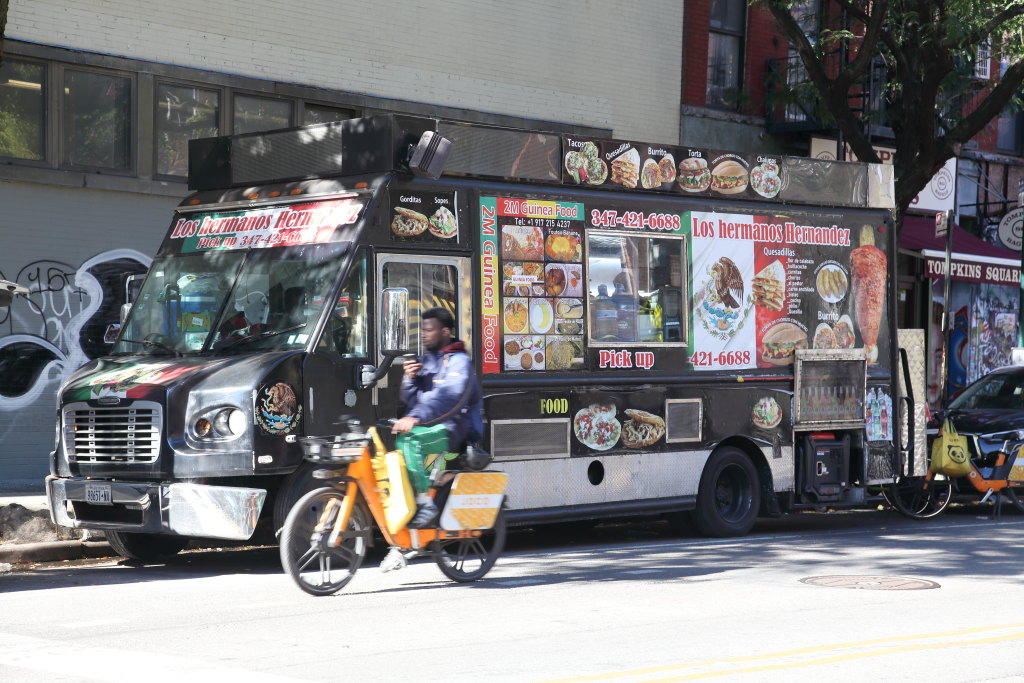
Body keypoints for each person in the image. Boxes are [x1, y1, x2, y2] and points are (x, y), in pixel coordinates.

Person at [392, 307, 483, 528]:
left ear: (445, 331)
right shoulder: (428, 361)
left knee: (410, 441)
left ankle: (425, 504)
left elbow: (450, 399)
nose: (424, 334)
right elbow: (411, 400)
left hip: (455, 431)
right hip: (432, 429)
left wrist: (415, 418)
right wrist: (410, 379)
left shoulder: (460, 363)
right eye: (422, 330)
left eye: (429, 330)